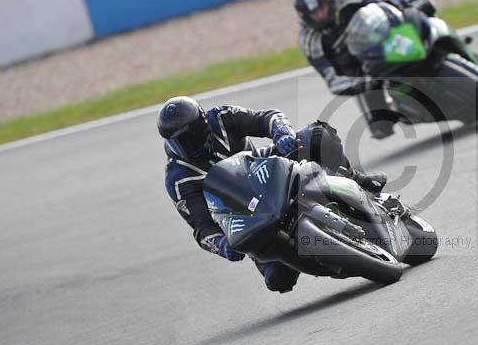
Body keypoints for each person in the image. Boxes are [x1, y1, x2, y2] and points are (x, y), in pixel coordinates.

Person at [157, 96, 387, 293]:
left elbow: (267, 117)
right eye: (179, 140)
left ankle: (356, 180)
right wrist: (221, 245)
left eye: (192, 134)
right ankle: (332, 261)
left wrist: (281, 133)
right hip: (246, 216)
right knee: (279, 279)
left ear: (203, 122)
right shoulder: (178, 178)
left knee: (314, 136)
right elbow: (202, 228)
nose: (188, 143)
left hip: (269, 171)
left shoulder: (222, 116)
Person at [292, 0, 437, 139]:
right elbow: (332, 80)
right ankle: (399, 105)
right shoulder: (310, 41)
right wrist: (362, 82)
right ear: (304, 15)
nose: (321, 15)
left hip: (384, 40)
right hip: (362, 70)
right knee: (380, 127)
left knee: (420, 14)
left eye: (322, 8)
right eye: (314, 13)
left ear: (330, 0)